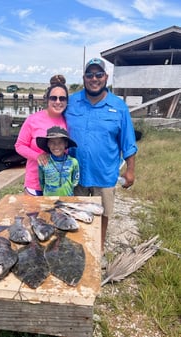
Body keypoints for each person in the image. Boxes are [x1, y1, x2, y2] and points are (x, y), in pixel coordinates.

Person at [64, 57, 138, 264]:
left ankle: (99, 249)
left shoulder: (118, 106)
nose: (94, 79)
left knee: (103, 213)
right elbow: (53, 121)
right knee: (75, 212)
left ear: (106, 77)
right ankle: (77, 248)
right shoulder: (71, 102)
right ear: (84, 78)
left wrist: (130, 170)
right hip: (75, 173)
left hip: (105, 173)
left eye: (99, 74)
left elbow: (128, 142)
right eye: (90, 75)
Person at [15, 76, 68, 196]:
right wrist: (37, 156)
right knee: (34, 214)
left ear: (66, 101)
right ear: (47, 99)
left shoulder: (69, 121)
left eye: (62, 98)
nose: (58, 102)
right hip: (35, 183)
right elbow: (19, 145)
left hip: (61, 185)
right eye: (53, 98)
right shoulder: (33, 119)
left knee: (57, 215)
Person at [36, 126, 79, 196]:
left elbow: (75, 181)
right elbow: (42, 182)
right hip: (48, 200)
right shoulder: (44, 163)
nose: (56, 146)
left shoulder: (73, 162)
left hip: (67, 199)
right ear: (48, 144)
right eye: (52, 142)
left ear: (66, 144)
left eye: (60, 142)